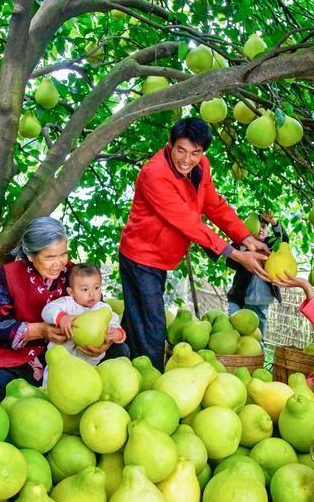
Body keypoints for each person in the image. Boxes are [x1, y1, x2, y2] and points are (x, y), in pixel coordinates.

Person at [119, 117, 270, 370]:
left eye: (195, 152)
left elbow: (214, 205)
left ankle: (117, 367)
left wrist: (247, 238)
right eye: (181, 150)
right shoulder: (154, 174)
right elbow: (189, 223)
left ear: (203, 152)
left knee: (138, 323)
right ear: (170, 145)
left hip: (162, 258)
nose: (186, 159)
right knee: (153, 327)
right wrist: (235, 254)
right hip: (140, 257)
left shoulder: (201, 167)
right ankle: (150, 382)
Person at [0, 218, 112, 402]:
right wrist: (41, 330)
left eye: (63, 254)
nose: (59, 263)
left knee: (121, 353)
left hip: (71, 352)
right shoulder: (6, 276)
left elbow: (99, 309)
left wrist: (103, 342)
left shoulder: (74, 274)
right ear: (31, 255)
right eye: (50, 257)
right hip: (16, 358)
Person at [40, 263, 127, 385]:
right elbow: (47, 311)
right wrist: (62, 318)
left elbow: (114, 322)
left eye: (96, 288)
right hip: (61, 361)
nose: (92, 294)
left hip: (90, 363)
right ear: (71, 292)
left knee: (89, 387)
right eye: (85, 290)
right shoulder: (68, 304)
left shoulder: (102, 309)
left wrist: (116, 334)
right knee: (54, 384)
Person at [227, 211, 288, 335]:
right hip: (239, 299)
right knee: (232, 331)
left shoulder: (271, 244)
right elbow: (230, 262)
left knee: (257, 335)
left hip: (261, 301)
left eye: (264, 227)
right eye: (258, 225)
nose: (260, 229)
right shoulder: (240, 245)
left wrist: (274, 222)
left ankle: (259, 352)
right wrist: (244, 249)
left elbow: (284, 240)